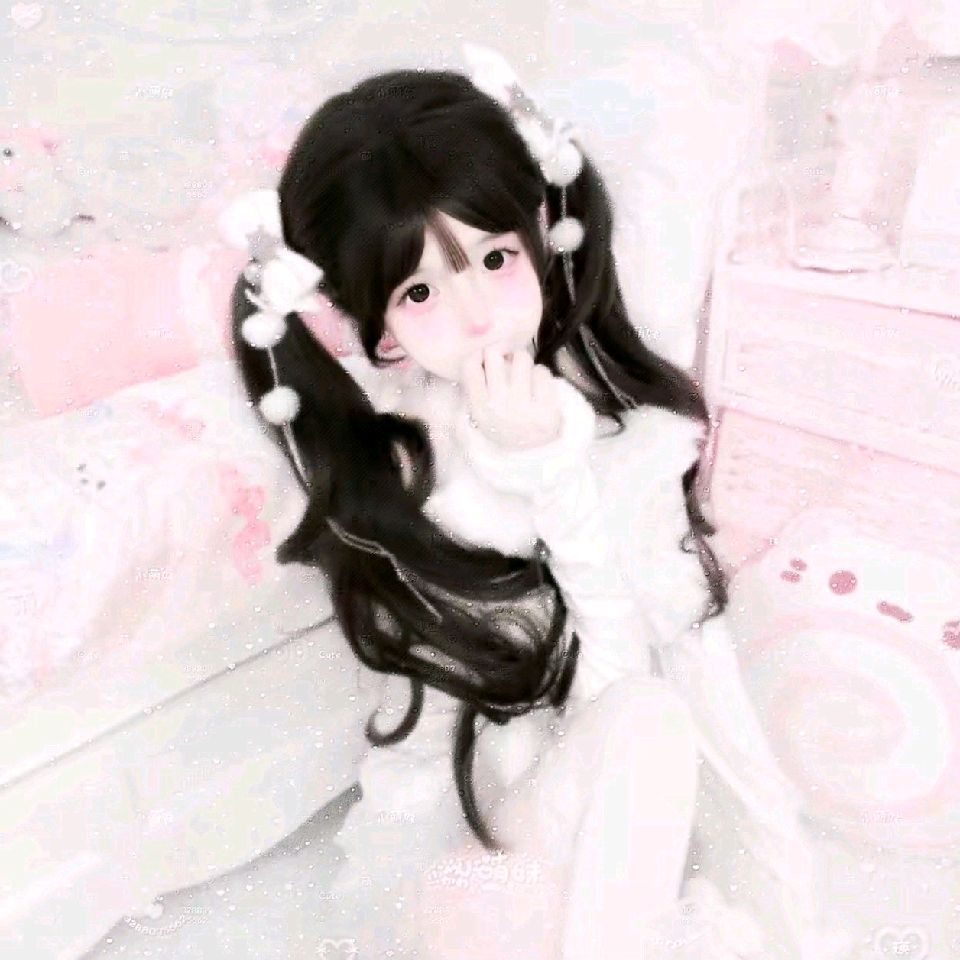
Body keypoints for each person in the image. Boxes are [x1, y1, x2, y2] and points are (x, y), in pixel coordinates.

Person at [220, 43, 827, 960]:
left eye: (496, 257)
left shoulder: (611, 429)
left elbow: (670, 692)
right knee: (646, 721)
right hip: (466, 872)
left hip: (578, 848)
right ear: (377, 329)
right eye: (420, 290)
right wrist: (548, 476)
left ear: (542, 234)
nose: (477, 314)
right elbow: (609, 697)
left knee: (658, 730)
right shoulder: (414, 478)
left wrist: (554, 461)